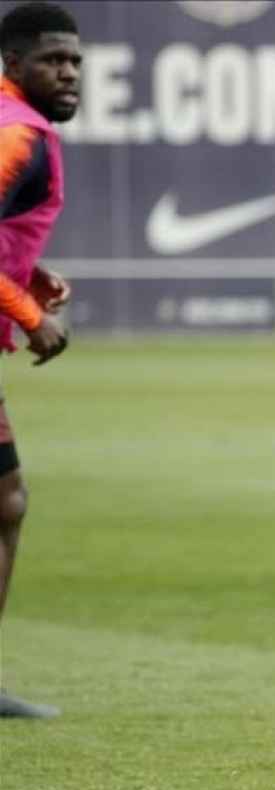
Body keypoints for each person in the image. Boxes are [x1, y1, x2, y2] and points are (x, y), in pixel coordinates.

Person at [0, 1, 77, 721]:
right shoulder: (21, 135)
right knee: (6, 502)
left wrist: (29, 274)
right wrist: (33, 317)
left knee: (6, 500)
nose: (71, 73)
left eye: (77, 61)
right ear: (14, 64)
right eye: (56, 61)